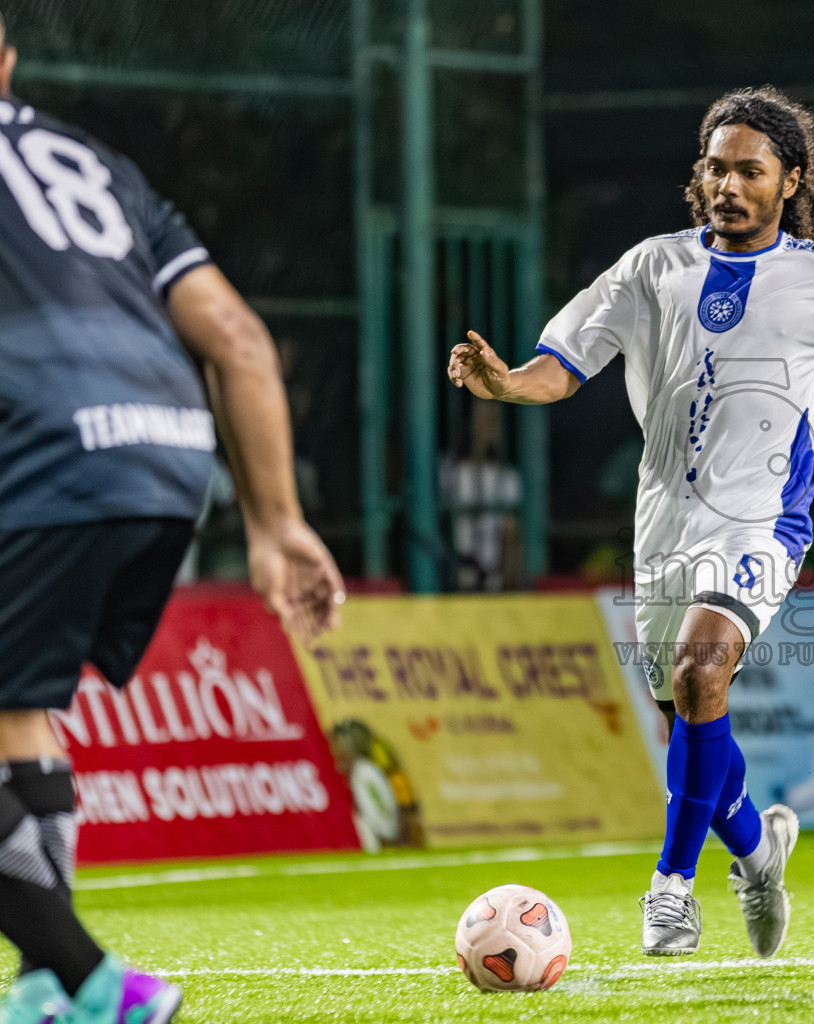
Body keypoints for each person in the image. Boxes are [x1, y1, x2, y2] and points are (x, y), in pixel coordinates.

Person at [449, 87, 814, 960]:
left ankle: (671, 891)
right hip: (663, 524)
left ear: (790, 180)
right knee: (688, 719)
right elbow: (562, 368)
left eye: (750, 171)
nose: (729, 184)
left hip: (763, 526)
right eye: (716, 167)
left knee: (700, 667)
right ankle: (758, 853)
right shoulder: (650, 268)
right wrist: (505, 384)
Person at [0, 17, 345, 1024]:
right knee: (19, 711)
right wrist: (277, 521)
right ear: (11, 62)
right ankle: (39, 996)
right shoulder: (99, 166)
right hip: (166, 451)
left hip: (40, 452)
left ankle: (97, 984)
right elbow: (236, 337)